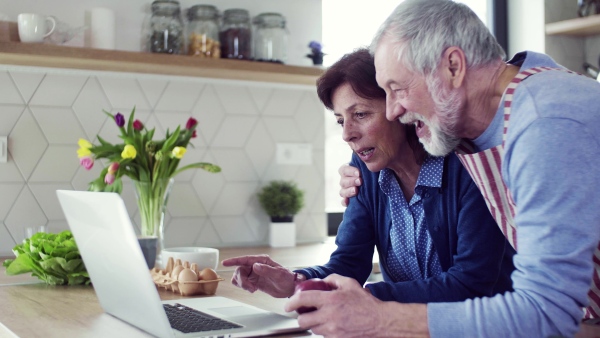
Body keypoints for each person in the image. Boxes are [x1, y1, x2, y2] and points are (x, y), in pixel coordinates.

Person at [297, 0, 600, 337]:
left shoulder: (545, 122)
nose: (394, 111)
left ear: (453, 66)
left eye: (397, 89)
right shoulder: (488, 125)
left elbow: (545, 313)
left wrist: (380, 317)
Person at [223, 49, 514, 306]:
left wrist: (365, 298)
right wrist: (295, 281)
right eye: (340, 120)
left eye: (360, 114)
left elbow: (471, 284)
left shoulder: (468, 164)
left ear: (399, 108)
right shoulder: (365, 169)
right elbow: (349, 264)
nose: (347, 133)